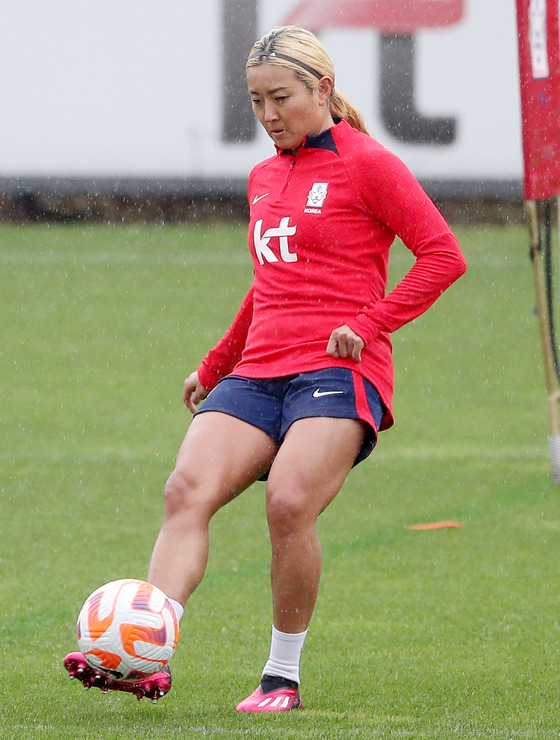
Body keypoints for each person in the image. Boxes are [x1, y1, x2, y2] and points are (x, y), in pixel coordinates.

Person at [65, 25, 466, 711]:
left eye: (280, 98)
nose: (268, 115)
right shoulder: (264, 175)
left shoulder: (369, 164)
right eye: (255, 101)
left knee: (287, 503)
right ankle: (145, 655)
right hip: (259, 370)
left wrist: (367, 325)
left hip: (340, 373)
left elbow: (443, 255)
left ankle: (282, 676)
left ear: (324, 90)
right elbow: (269, 282)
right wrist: (217, 363)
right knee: (185, 488)